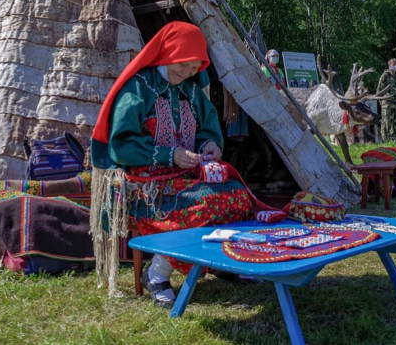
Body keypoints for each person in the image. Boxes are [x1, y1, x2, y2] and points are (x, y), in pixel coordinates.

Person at [90, 22, 280, 306]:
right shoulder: (139, 88)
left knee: (237, 196)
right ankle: (156, 275)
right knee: (205, 203)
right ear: (168, 52)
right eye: (184, 66)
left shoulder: (191, 92)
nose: (189, 73)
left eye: (194, 68)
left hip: (184, 174)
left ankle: (219, 263)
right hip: (146, 182)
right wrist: (170, 155)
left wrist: (209, 146)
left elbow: (207, 131)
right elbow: (122, 144)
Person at [376, 58, 396, 142]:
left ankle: (395, 141)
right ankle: (386, 142)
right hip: (387, 104)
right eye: (393, 64)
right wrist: (382, 104)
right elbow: (379, 91)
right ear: (389, 65)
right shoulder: (385, 75)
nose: (395, 66)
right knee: (386, 124)